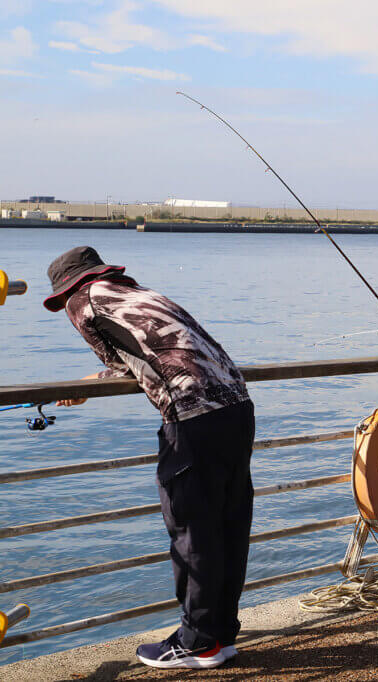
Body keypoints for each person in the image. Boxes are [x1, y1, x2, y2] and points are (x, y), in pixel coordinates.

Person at [45, 246, 253, 670]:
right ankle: (220, 635)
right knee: (228, 524)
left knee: (192, 529)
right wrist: (98, 380)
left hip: (192, 416)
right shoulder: (142, 294)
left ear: (68, 287)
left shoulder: (82, 301)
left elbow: (116, 360)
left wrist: (86, 382)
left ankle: (196, 642)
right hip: (237, 406)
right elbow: (157, 351)